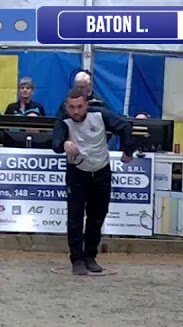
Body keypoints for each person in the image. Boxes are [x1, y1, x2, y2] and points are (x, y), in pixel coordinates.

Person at [51, 88, 135, 275]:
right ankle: (77, 259)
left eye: (79, 106)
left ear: (86, 104)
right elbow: (55, 143)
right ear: (66, 106)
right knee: (75, 217)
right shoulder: (63, 121)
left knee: (97, 216)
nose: (76, 111)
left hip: (101, 171)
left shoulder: (100, 115)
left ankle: (90, 256)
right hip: (77, 173)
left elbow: (124, 127)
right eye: (72, 107)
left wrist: (128, 150)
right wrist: (64, 143)